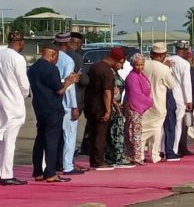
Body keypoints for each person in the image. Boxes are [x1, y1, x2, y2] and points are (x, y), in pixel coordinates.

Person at [28, 44, 79, 182]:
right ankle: (50, 172)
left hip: (39, 106)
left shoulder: (33, 68)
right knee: (52, 140)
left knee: (40, 139)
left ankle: (37, 171)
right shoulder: (51, 69)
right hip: (52, 108)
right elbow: (59, 90)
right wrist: (69, 81)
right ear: (54, 55)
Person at [85, 47, 126, 170]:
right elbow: (107, 92)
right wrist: (108, 110)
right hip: (101, 106)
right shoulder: (107, 71)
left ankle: (94, 160)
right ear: (117, 59)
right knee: (100, 134)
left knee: (93, 133)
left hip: (90, 104)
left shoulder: (95, 66)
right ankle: (99, 161)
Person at [0, 31, 30, 185]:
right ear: (20, 42)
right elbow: (24, 85)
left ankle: (2, 172)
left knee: (2, 140)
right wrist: (25, 94)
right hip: (13, 104)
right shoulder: (17, 59)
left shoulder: (1, 54)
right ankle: (6, 174)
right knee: (9, 142)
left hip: (1, 103)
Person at [141, 43, 176, 163]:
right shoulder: (164, 69)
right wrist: (168, 69)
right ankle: (154, 155)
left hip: (144, 102)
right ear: (162, 55)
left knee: (143, 128)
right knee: (156, 129)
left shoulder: (144, 64)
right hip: (158, 102)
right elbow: (172, 85)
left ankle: (140, 154)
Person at [53, 32, 82, 176]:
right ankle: (68, 166)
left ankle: (53, 165)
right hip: (66, 103)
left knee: (54, 136)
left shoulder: (50, 58)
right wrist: (74, 106)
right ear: (67, 43)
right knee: (69, 135)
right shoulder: (67, 60)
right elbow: (69, 86)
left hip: (53, 101)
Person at [164, 42, 193, 161]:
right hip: (179, 96)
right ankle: (173, 149)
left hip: (166, 94)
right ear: (185, 51)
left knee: (164, 125)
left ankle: (162, 149)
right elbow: (186, 83)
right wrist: (189, 100)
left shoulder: (166, 60)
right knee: (177, 125)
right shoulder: (184, 63)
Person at [124, 53, 153, 165]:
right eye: (137, 65)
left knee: (135, 131)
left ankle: (134, 155)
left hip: (136, 109)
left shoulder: (141, 75)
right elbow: (136, 95)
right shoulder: (132, 77)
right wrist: (149, 101)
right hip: (133, 108)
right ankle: (134, 156)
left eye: (142, 64)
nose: (140, 67)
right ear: (133, 65)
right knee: (133, 132)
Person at [104, 58, 132, 168]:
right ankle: (117, 157)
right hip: (113, 106)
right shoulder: (110, 73)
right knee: (116, 131)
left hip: (117, 104)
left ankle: (114, 156)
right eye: (120, 62)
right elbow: (109, 91)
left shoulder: (115, 73)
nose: (121, 65)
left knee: (116, 131)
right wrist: (115, 104)